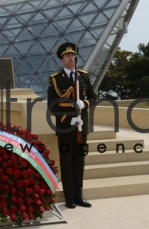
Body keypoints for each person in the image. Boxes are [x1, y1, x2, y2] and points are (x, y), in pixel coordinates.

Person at [47, 42, 96, 209]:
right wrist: (69, 120)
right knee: (67, 162)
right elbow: (53, 105)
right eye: (68, 56)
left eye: (73, 55)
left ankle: (79, 196)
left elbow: (93, 97)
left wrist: (85, 104)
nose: (72, 57)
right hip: (65, 127)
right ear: (62, 59)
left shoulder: (83, 76)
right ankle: (69, 198)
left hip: (82, 127)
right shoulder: (55, 79)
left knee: (79, 162)